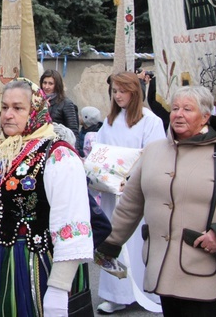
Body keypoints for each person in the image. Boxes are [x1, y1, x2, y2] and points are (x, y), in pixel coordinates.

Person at [96, 86, 216, 316]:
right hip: (161, 265)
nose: (178, 114)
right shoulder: (154, 151)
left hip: (202, 266)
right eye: (175, 108)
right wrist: (110, 243)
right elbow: (131, 204)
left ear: (206, 116)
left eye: (188, 109)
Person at [0, 78, 94, 316]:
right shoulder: (0, 154)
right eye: (4, 107)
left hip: (29, 269)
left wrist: (58, 288)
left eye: (18, 108)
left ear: (35, 110)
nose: (8, 115)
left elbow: (73, 227)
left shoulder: (58, 155)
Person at [94, 71, 166, 314]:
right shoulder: (110, 120)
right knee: (112, 239)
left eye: (122, 91)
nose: (117, 96)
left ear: (134, 92)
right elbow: (100, 151)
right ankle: (115, 293)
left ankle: (144, 290)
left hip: (134, 193)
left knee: (135, 244)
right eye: (114, 91)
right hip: (110, 191)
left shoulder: (150, 121)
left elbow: (154, 156)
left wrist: (131, 179)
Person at [41, 68, 79, 136]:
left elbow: (73, 131)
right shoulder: (38, 101)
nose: (46, 87)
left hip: (60, 143)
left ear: (57, 85)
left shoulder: (66, 103)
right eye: (44, 83)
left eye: (50, 84)